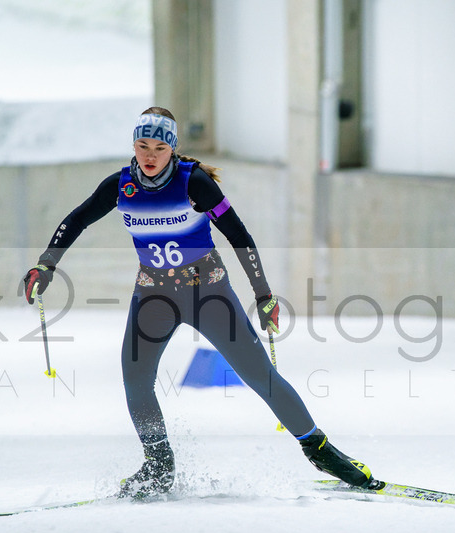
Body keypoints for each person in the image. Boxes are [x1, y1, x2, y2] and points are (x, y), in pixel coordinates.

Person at [22, 106, 381, 498]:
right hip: (154, 296)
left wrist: (263, 294)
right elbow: (76, 219)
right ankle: (159, 463)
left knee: (261, 377)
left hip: (207, 293)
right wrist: (46, 265)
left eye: (159, 147)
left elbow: (238, 235)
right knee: (135, 381)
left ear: (172, 149)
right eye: (143, 145)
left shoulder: (194, 183)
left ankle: (321, 450)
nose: (150, 155)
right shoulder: (120, 185)